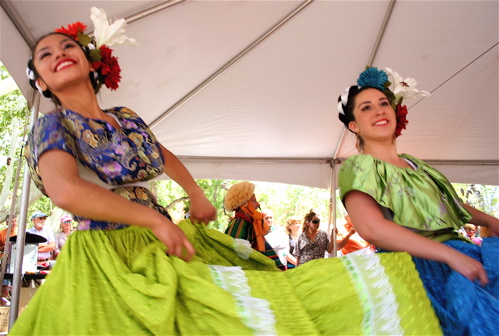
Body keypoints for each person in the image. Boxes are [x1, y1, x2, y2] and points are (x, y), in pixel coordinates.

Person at [10, 10, 443, 335]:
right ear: (42, 83)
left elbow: (161, 154)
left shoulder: (125, 117)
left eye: (67, 47)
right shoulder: (53, 125)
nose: (58, 54)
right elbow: (66, 191)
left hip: (156, 237)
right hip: (106, 253)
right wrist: (153, 220)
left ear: (90, 63)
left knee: (255, 300)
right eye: (44, 54)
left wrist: (195, 192)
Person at [337, 66, 499, 335]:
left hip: (461, 253)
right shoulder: (358, 167)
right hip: (417, 267)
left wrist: (490, 220)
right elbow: (372, 229)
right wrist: (448, 256)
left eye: (383, 103)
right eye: (366, 108)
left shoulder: (416, 164)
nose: (379, 110)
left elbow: (450, 205)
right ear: (354, 125)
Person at [224, 182, 285, 270]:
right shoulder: (239, 224)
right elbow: (234, 258)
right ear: (245, 203)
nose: (258, 204)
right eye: (254, 201)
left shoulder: (247, 223)